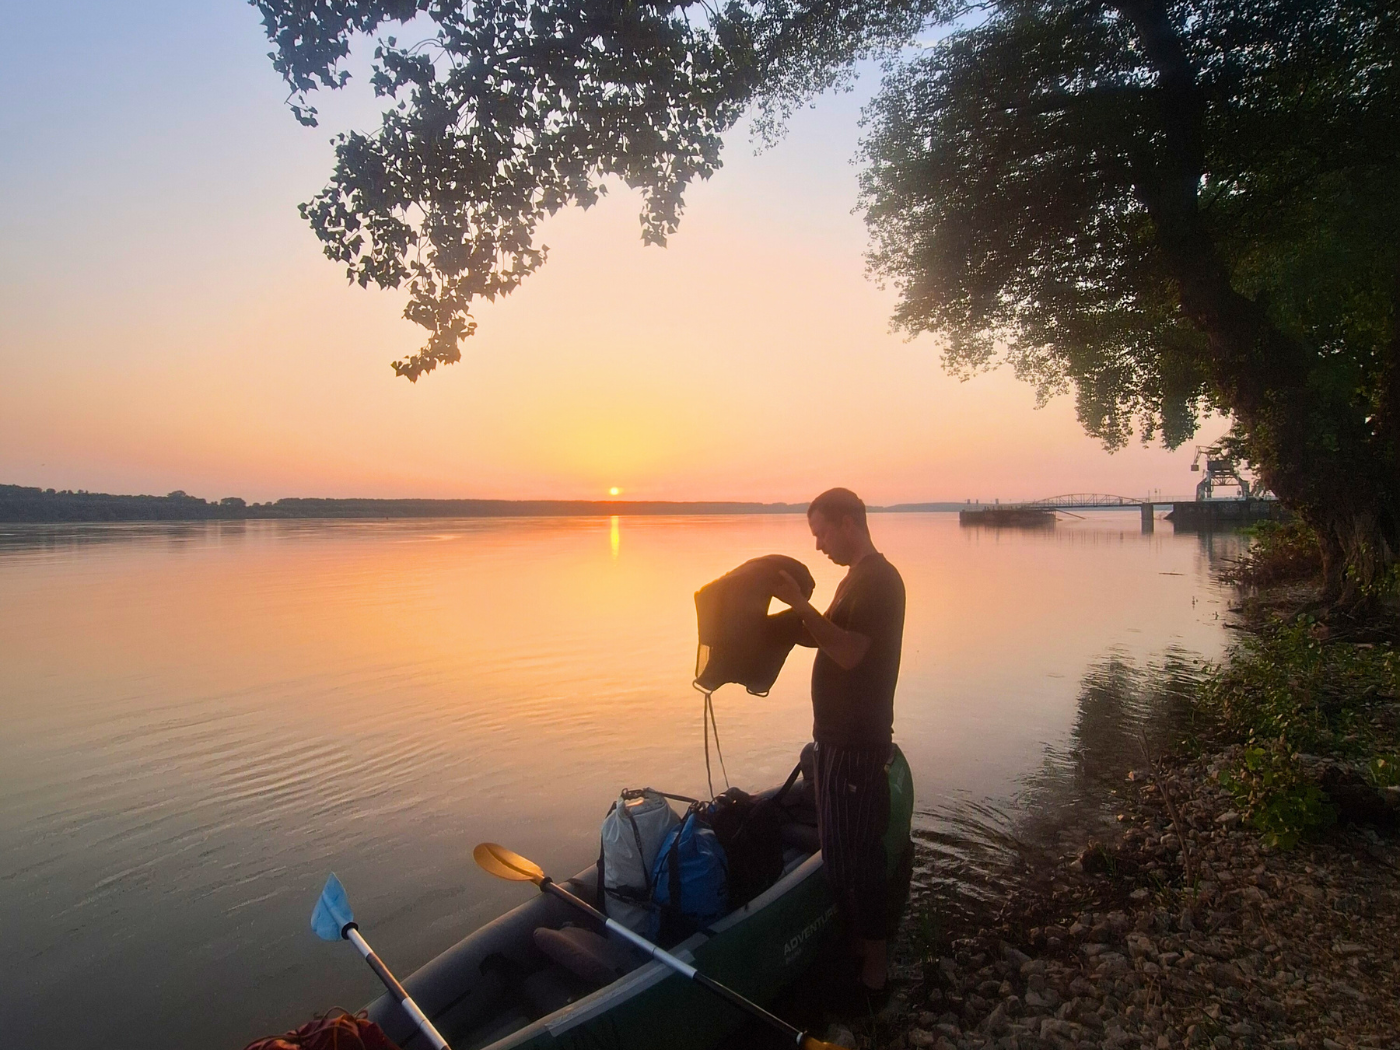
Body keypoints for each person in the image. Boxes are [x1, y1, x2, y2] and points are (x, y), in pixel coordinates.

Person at [772, 487, 909, 997]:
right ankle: (855, 945)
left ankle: (877, 968)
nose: (818, 545)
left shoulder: (880, 581)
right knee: (838, 856)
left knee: (861, 860)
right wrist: (780, 622)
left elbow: (850, 653)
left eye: (821, 532)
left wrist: (802, 607)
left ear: (848, 522)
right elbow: (828, 632)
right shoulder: (854, 580)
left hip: (858, 741)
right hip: (831, 738)